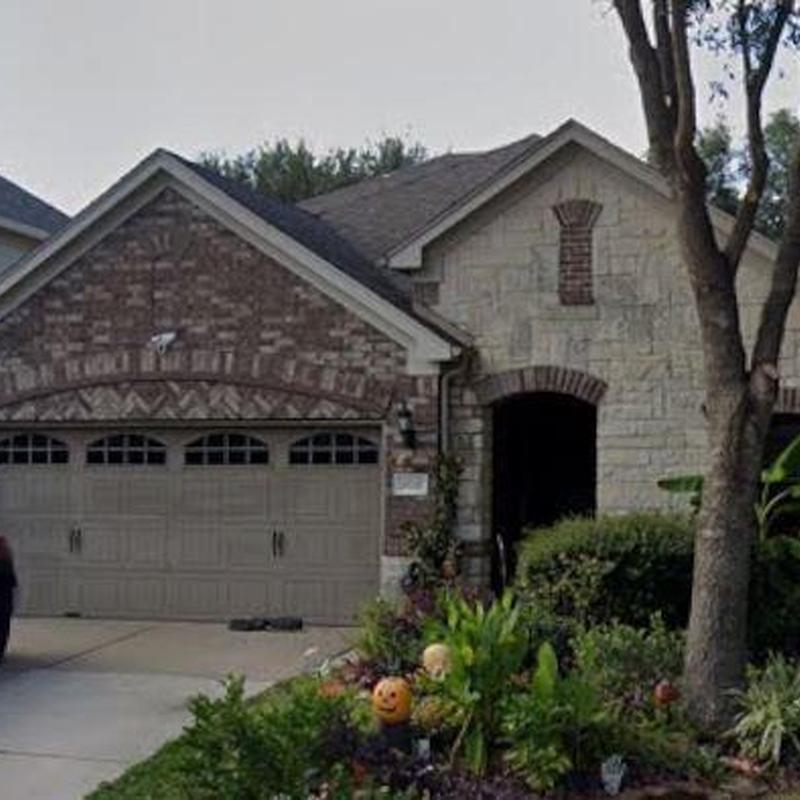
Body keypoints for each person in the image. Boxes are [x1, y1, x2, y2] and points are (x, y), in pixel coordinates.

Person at [0, 536, 17, 661]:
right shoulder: (6, 561)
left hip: (4, 601)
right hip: (4, 601)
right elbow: (12, 582)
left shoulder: (5, 562)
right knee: (3, 628)